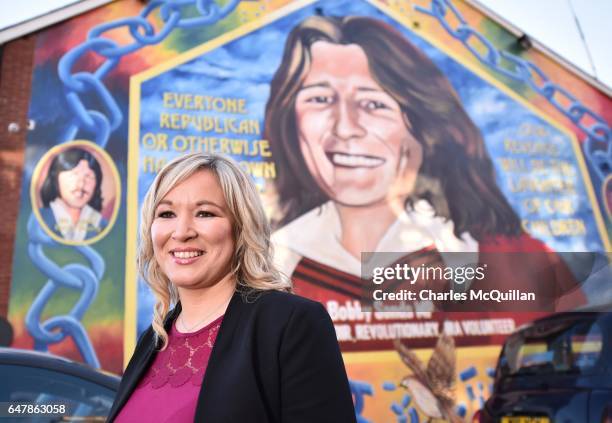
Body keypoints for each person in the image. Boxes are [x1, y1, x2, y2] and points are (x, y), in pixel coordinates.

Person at [266, 15, 584, 313]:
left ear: (424, 127)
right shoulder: (267, 267)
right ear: (290, 122)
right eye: (319, 99)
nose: (345, 127)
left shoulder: (523, 264)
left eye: (374, 104)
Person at [108, 153, 356, 422]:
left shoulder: (290, 324)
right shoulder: (154, 340)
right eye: (166, 213)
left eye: (205, 213)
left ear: (241, 227)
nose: (181, 232)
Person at [39, 147, 107, 242]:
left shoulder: (102, 224)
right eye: (74, 174)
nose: (81, 184)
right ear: (55, 177)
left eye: (89, 176)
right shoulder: (39, 219)